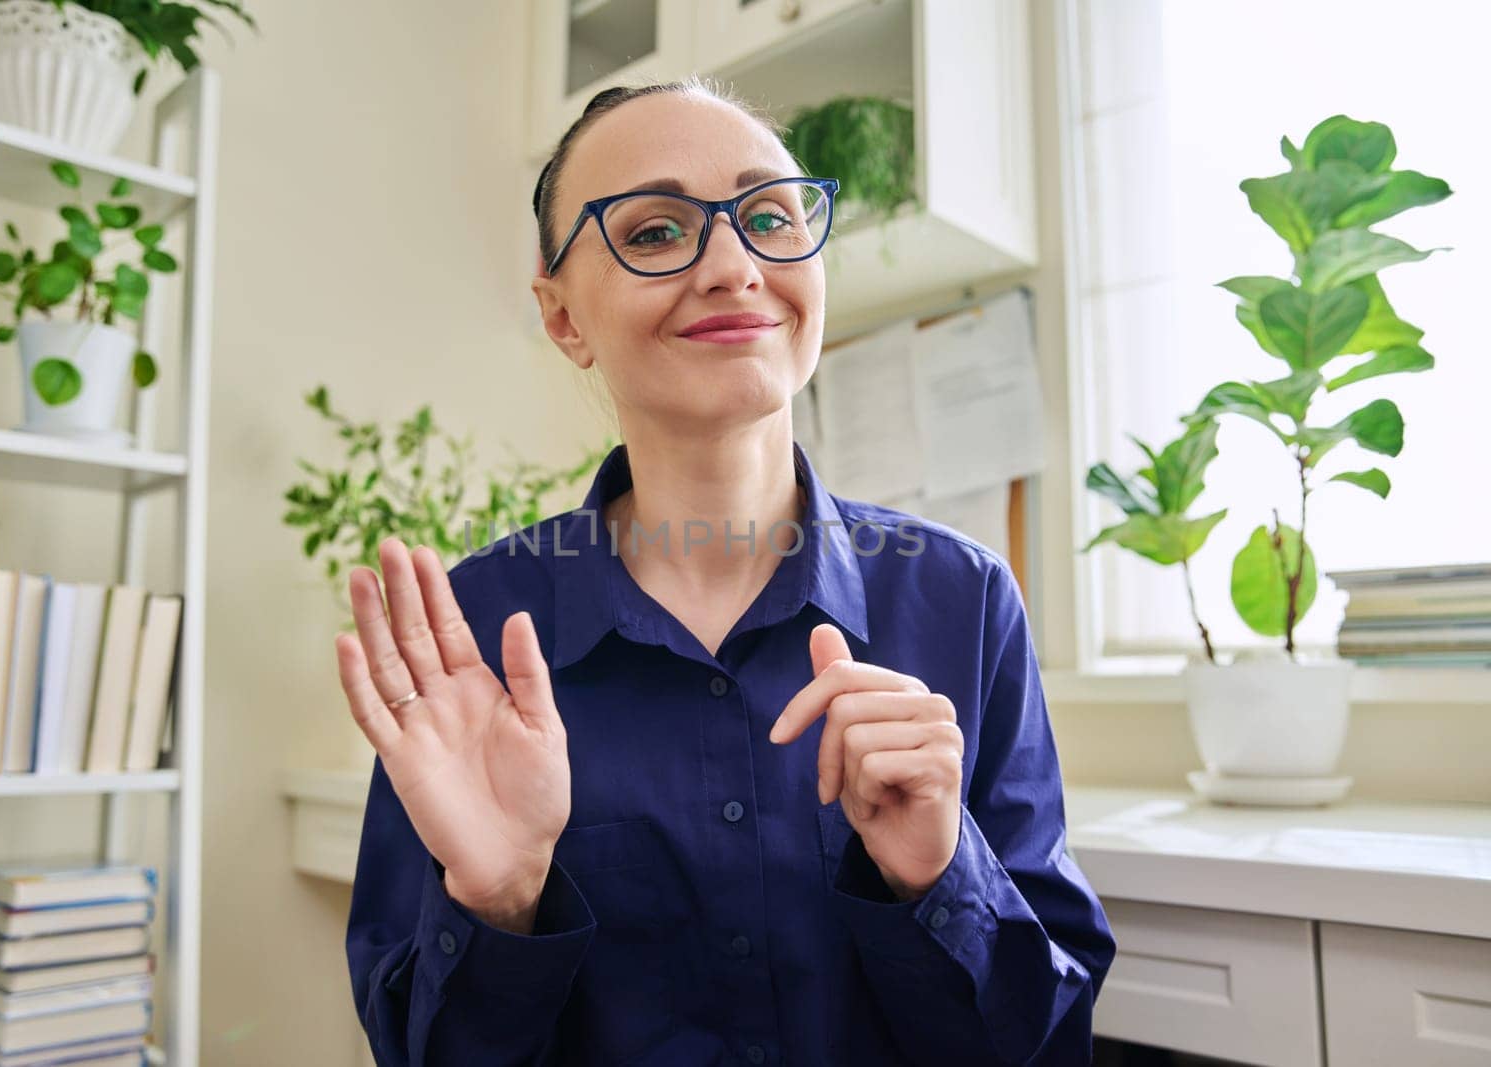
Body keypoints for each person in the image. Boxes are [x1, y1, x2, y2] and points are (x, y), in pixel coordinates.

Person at [340, 75, 1116, 1067]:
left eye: (768, 215)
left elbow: (1046, 1043)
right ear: (563, 317)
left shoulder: (960, 600)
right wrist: (499, 901)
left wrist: (936, 878)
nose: (732, 265)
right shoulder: (473, 631)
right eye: (656, 232)